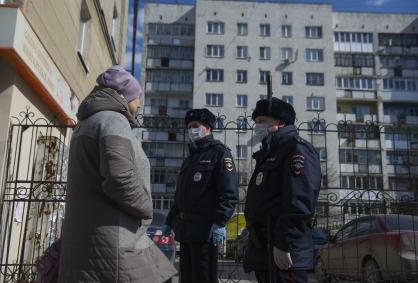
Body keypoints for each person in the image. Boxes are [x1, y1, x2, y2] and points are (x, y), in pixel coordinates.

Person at [58, 65, 176, 282]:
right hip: (112, 240)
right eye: (137, 97)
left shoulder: (87, 123)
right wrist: (147, 206)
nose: (139, 103)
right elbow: (120, 179)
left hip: (89, 240)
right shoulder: (113, 121)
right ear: (124, 96)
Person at [243, 97, 321, 283]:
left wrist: (283, 242)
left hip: (285, 252)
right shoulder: (270, 152)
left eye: (262, 121)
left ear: (280, 122)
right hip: (264, 249)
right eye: (256, 122)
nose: (257, 126)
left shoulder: (295, 149)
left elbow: (300, 202)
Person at [163, 109, 238, 283]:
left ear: (208, 128)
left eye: (195, 126)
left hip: (205, 232)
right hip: (186, 231)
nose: (191, 130)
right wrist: (170, 220)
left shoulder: (219, 154)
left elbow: (228, 193)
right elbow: (181, 196)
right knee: (186, 278)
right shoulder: (190, 159)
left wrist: (220, 222)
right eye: (189, 127)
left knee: (203, 278)